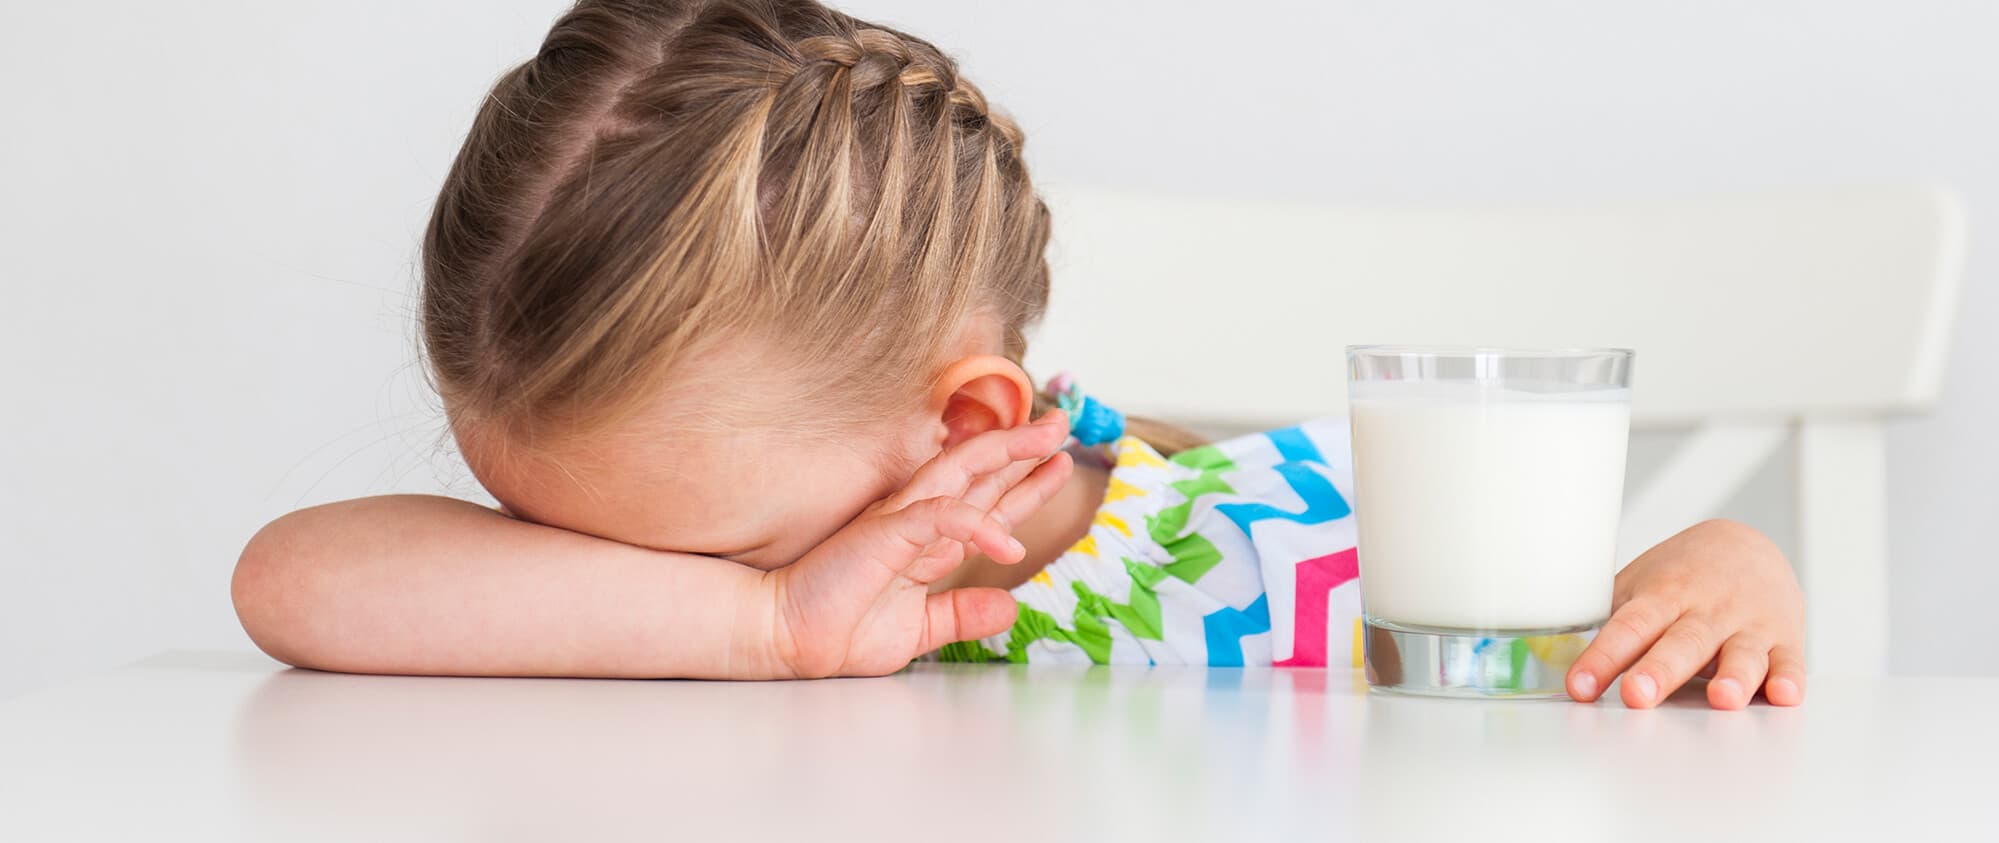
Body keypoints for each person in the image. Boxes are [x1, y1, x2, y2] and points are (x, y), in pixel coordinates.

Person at [232, 0, 1805, 710]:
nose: (596, 580)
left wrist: (1729, 563)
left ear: (969, 425)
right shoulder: (712, 572)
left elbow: (1566, 653)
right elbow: (292, 585)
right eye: (555, 537)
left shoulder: (1296, 549)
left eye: (714, 554)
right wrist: (766, 617)